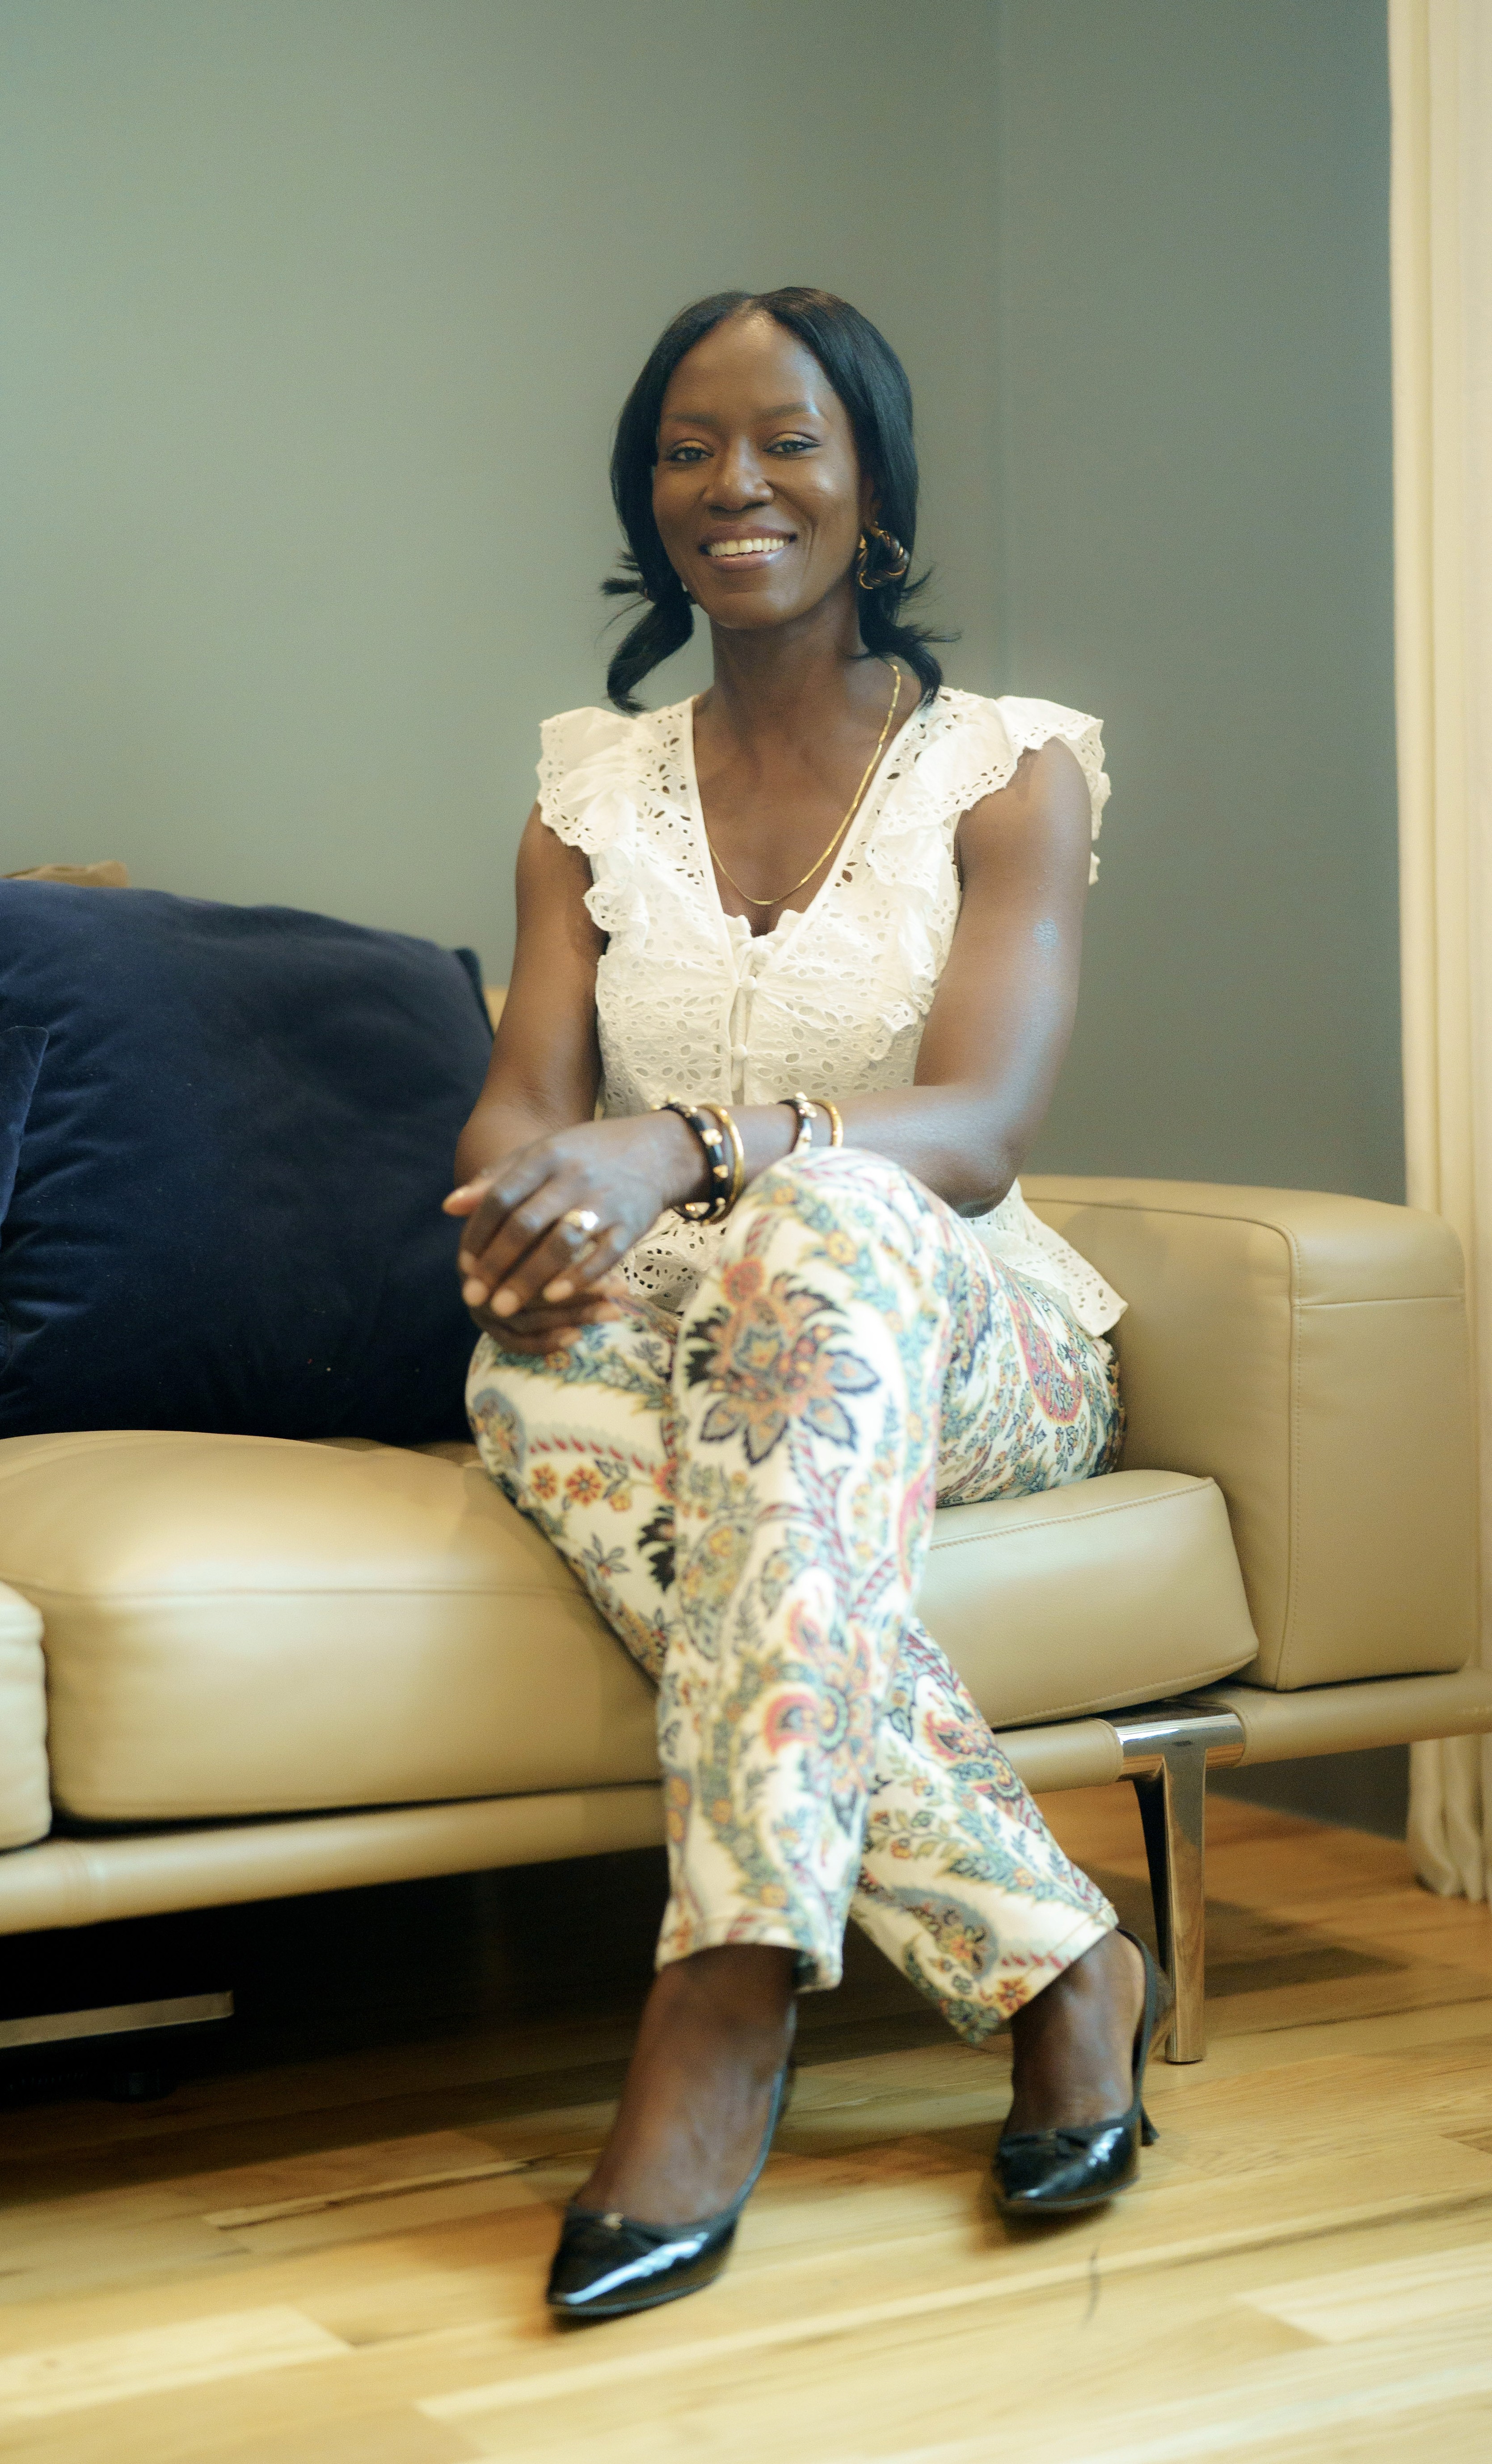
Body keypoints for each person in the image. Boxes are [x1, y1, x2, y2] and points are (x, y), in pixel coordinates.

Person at [447, 287, 1167, 2323]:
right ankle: (1055, 1951)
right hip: (712, 1341)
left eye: (787, 441)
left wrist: (684, 1147)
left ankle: (727, 1979)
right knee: (535, 1373)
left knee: (823, 1220)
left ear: (873, 491)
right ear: (646, 497)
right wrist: (513, 1216)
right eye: (689, 448)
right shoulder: (587, 791)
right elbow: (519, 1094)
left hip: (954, 1322)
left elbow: (986, 1123)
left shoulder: (1004, 768)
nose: (735, 484)